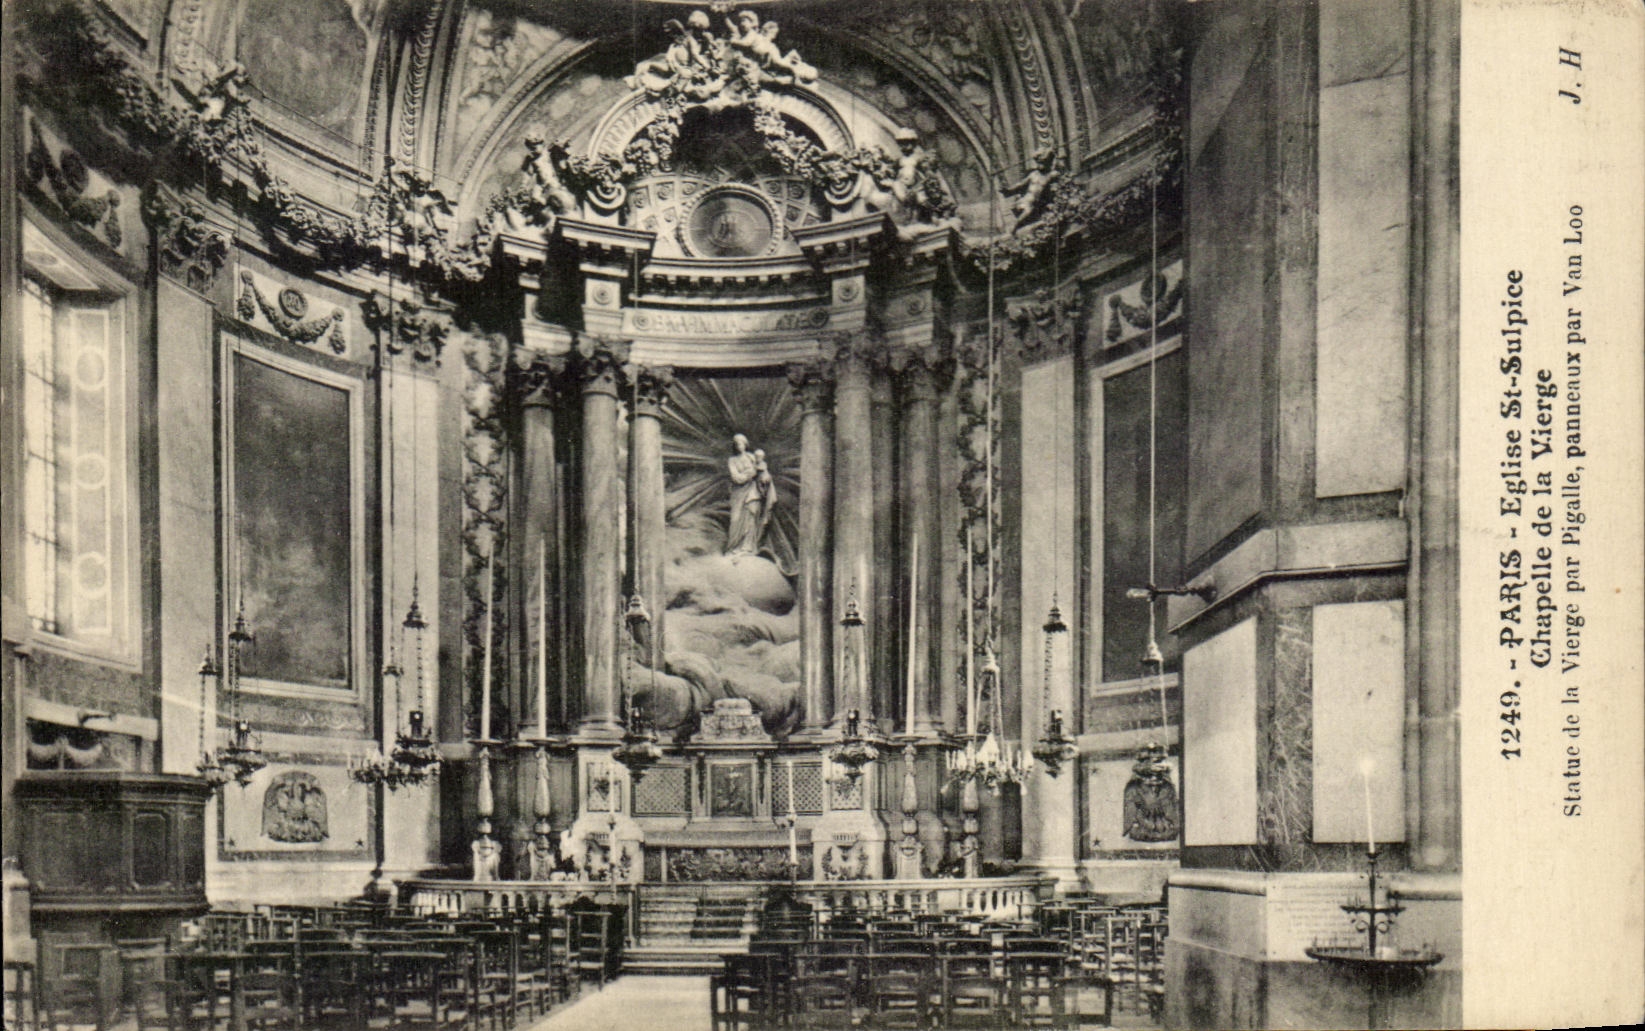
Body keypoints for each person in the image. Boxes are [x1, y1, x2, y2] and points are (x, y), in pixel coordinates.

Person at [725, 433, 771, 556]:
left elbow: (762, 471)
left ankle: (747, 547)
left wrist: (763, 475)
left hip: (752, 491)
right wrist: (750, 472)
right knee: (735, 519)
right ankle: (733, 547)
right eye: (737, 444)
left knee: (751, 515)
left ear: (745, 444)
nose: (739, 446)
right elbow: (736, 478)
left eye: (741, 443)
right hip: (738, 493)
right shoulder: (732, 460)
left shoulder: (751, 457)